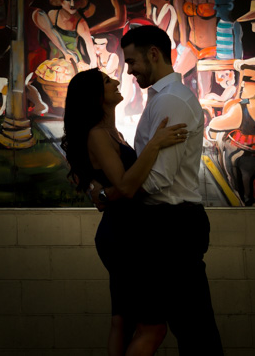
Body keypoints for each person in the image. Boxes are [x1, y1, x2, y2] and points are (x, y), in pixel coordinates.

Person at [101, 24, 225, 355]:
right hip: (165, 226)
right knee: (173, 327)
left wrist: (116, 192)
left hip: (172, 227)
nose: (129, 71)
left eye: (131, 62)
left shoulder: (171, 101)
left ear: (153, 54)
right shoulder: (163, 98)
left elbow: (158, 181)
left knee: (192, 330)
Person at [63, 67, 188, 356]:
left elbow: (116, 187)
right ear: (95, 97)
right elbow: (127, 186)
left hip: (124, 231)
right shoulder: (97, 135)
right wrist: (155, 144)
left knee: (122, 321)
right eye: (107, 81)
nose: (117, 80)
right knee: (154, 328)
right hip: (124, 235)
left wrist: (105, 191)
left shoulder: (111, 132)